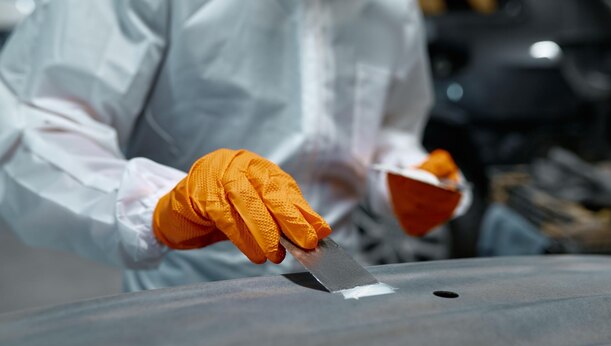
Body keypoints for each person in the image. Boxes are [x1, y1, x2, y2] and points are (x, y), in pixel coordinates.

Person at [0, 0, 469, 291]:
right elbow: (37, 129)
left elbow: (388, 127)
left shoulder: (392, 9)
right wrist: (161, 203)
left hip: (339, 290)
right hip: (188, 303)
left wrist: (405, 174)